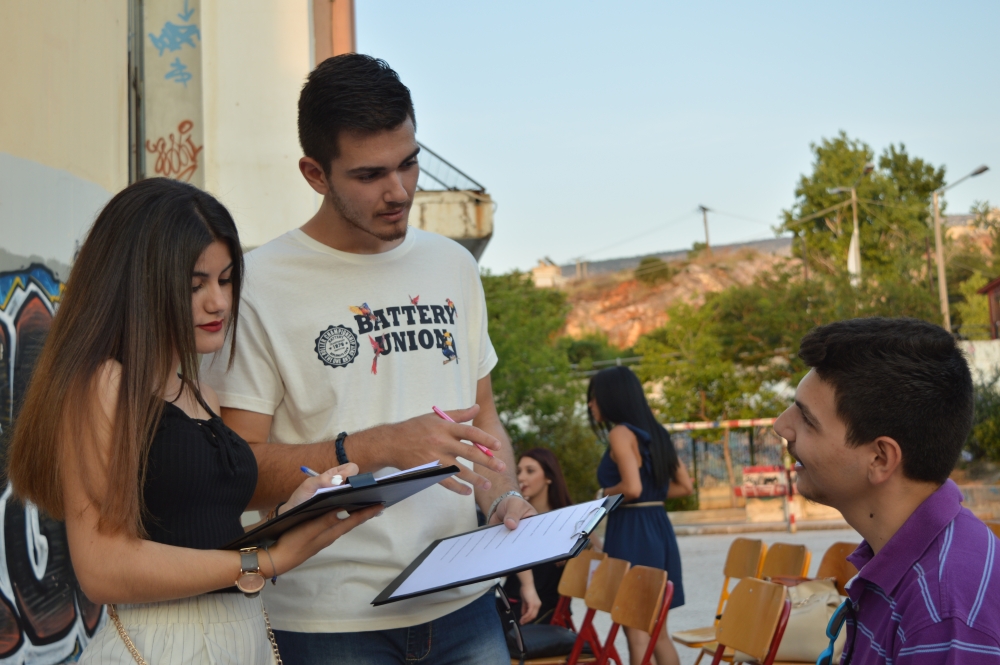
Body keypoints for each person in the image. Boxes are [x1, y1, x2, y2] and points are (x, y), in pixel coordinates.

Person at [200, 53, 533, 664]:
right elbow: (238, 472)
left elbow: (482, 417)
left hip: (465, 605)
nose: (398, 191)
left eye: (409, 163)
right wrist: (379, 445)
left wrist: (502, 496)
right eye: (370, 174)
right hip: (329, 624)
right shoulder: (259, 286)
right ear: (315, 173)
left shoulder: (453, 266)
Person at [6, 178, 380, 665]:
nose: (218, 302)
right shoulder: (105, 384)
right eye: (194, 285)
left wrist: (290, 516)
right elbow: (102, 568)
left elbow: (199, 532)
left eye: (226, 280)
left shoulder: (203, 393)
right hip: (161, 643)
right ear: (138, 283)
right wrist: (264, 560)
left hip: (239, 635)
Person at [774, 317, 1000, 664]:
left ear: (880, 458)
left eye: (807, 420)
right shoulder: (909, 558)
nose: (781, 426)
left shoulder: (941, 615)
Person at [588, 366, 693, 665]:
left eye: (594, 397)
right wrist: (651, 495)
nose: (590, 404)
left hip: (632, 531)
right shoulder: (657, 433)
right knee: (657, 632)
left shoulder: (620, 433)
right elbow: (685, 486)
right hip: (658, 528)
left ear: (612, 397)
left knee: (635, 633)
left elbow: (632, 488)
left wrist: (602, 494)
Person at [504, 448, 574, 624]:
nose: (521, 477)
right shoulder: (514, 517)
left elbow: (594, 553)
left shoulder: (567, 520)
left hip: (543, 611)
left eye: (530, 471)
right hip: (510, 602)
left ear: (549, 477)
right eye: (518, 472)